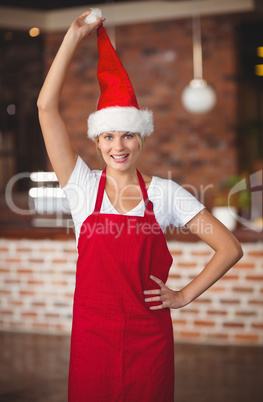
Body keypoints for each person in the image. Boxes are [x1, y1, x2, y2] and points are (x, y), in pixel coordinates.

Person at [37, 9, 243, 402]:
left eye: (128, 135)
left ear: (141, 139)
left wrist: (183, 295)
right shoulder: (81, 185)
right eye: (109, 136)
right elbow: (46, 108)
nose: (119, 146)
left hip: (148, 341)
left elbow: (230, 247)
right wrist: (72, 37)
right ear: (97, 141)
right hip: (92, 339)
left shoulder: (164, 194)